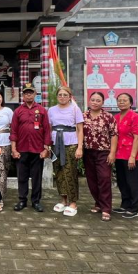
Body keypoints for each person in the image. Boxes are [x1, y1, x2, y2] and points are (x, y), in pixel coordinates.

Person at [10, 84, 51, 212]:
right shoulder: (18, 111)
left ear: (35, 95)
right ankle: (22, 200)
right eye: (26, 93)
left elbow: (47, 131)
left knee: (36, 177)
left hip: (37, 149)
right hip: (21, 149)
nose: (28, 95)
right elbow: (13, 131)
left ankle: (36, 201)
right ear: (23, 95)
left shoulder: (42, 110)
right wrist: (14, 149)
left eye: (31, 93)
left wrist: (46, 149)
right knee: (21, 176)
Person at [48, 86, 84, 217]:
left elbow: (80, 129)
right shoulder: (51, 110)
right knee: (58, 172)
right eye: (60, 95)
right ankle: (63, 199)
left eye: (65, 95)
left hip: (71, 143)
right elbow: (49, 128)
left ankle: (73, 202)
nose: (62, 97)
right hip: (55, 144)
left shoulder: (75, 109)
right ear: (57, 96)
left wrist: (80, 147)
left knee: (70, 172)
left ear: (70, 96)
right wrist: (47, 145)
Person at [82, 91, 117, 221]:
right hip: (88, 152)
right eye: (93, 100)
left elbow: (114, 134)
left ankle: (106, 208)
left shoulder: (108, 117)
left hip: (104, 152)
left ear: (102, 102)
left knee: (104, 178)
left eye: (98, 100)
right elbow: (79, 132)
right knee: (92, 180)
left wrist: (112, 152)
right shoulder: (83, 116)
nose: (95, 102)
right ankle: (98, 203)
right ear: (89, 101)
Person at [114, 92, 138, 219]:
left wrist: (132, 156)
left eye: (124, 100)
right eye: (119, 100)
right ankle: (125, 204)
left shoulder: (135, 117)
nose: (121, 102)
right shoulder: (115, 117)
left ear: (131, 103)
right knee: (122, 181)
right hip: (118, 154)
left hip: (131, 155)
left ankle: (134, 208)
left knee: (133, 182)